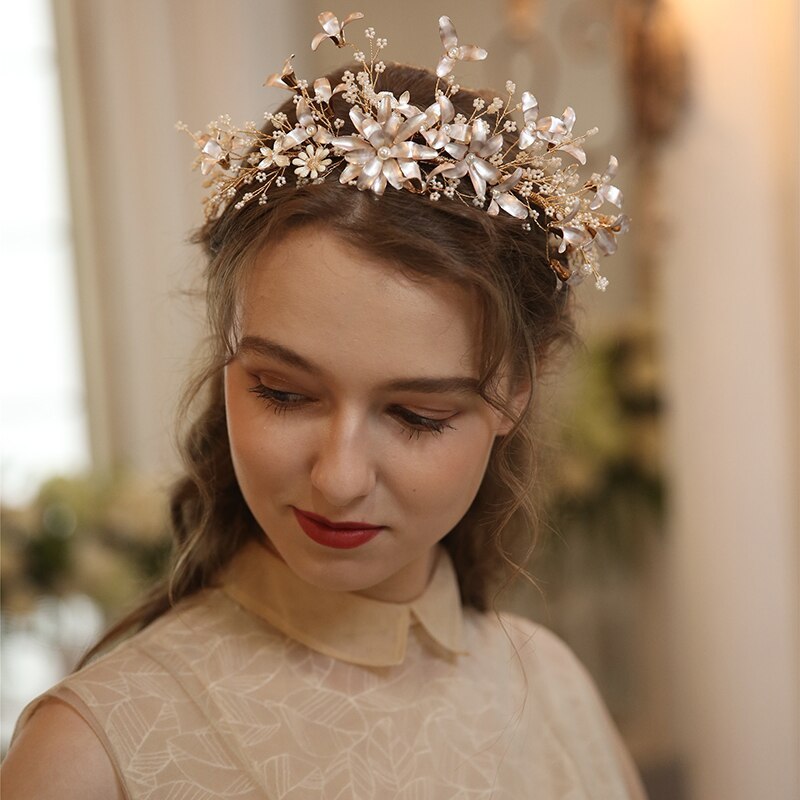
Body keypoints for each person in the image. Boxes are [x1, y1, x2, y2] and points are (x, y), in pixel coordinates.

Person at [2, 11, 642, 799]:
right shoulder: (91, 754)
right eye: (283, 392)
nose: (338, 480)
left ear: (516, 389)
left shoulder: (554, 692)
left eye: (415, 415)